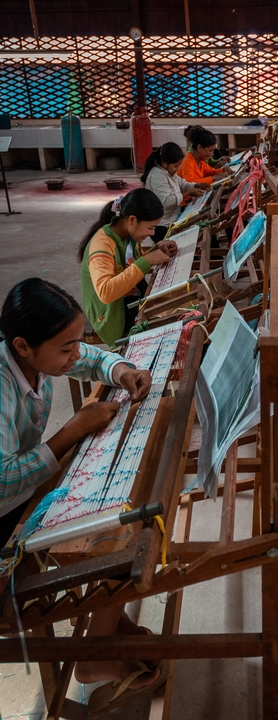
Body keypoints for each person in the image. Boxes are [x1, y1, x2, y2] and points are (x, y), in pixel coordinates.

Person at [0, 278, 167, 707]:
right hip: (4, 514)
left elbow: (89, 357)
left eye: (76, 341)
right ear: (22, 345)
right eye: (66, 347)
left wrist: (122, 370)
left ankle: (106, 631)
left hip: (21, 491)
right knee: (109, 535)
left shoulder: (36, 357)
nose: (76, 354)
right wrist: (71, 431)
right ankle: (92, 658)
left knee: (124, 514)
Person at [79, 189, 177, 347]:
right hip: (111, 315)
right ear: (132, 220)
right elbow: (105, 292)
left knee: (173, 306)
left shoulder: (128, 235)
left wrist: (155, 250)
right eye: (150, 228)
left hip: (125, 300)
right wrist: (146, 262)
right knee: (172, 319)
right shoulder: (102, 244)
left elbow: (129, 264)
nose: (152, 233)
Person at [141, 142, 203, 242]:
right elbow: (166, 202)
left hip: (172, 220)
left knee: (200, 226)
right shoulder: (158, 175)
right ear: (165, 163)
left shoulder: (169, 172)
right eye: (175, 166)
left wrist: (197, 185)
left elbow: (183, 184)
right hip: (161, 227)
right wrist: (189, 193)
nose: (178, 169)